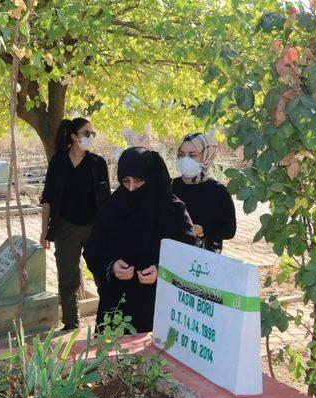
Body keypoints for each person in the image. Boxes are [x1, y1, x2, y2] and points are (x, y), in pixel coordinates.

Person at [83, 147, 198, 333]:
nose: (131, 188)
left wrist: (162, 271)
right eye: (125, 181)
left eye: (138, 181)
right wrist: (112, 267)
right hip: (118, 304)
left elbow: (190, 256)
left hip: (160, 304)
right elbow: (93, 251)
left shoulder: (172, 210)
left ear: (152, 178)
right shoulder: (113, 206)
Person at [39, 117, 111, 331]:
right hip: (66, 227)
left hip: (94, 228)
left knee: (101, 273)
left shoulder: (98, 164)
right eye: (86, 133)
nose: (90, 137)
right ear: (73, 136)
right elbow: (48, 199)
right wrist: (45, 232)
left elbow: (106, 200)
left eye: (92, 134)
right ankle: (71, 322)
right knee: (67, 277)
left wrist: (109, 231)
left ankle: (107, 320)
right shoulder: (58, 162)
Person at [172, 132, 236, 253]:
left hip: (205, 262)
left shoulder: (218, 191)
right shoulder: (171, 186)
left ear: (207, 156)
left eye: (192, 155)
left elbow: (229, 230)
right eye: (181, 154)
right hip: (173, 257)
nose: (185, 160)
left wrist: (203, 230)